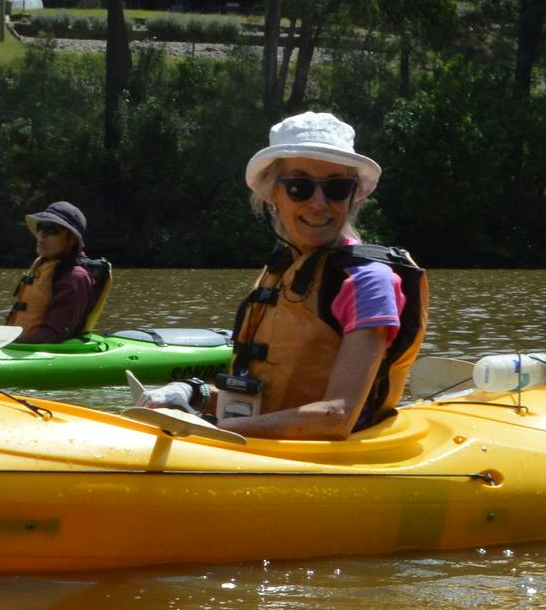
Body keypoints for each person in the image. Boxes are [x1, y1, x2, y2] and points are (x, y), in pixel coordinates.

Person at [161, 112, 425, 440]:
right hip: (267, 448)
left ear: (352, 194)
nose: (319, 203)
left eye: (336, 188)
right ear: (274, 194)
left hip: (330, 464)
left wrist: (210, 430)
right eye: (300, 187)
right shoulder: (282, 269)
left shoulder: (368, 282)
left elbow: (336, 417)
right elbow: (269, 399)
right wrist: (194, 393)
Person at [5, 201, 111, 344]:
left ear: (72, 238)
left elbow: (53, 336)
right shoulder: (47, 264)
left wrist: (10, 344)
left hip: (43, 352)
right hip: (21, 345)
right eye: (41, 227)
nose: (42, 234)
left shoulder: (75, 278)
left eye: (51, 229)